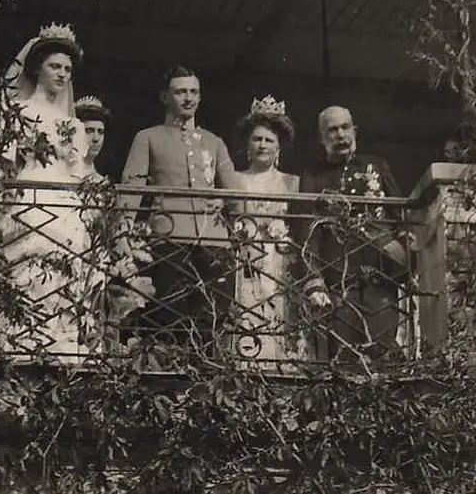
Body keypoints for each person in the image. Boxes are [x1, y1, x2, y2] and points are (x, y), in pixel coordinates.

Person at [0, 23, 104, 360]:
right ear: (37, 67)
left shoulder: (75, 126)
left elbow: (79, 172)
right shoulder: (17, 112)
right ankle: (18, 341)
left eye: (67, 69)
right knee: (35, 240)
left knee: (74, 246)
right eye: (55, 66)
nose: (63, 74)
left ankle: (60, 343)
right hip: (28, 193)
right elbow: (2, 164)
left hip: (65, 200)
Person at [118, 65, 240, 351]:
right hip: (169, 236)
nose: (188, 98)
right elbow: (132, 188)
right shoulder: (148, 137)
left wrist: (225, 203)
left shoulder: (214, 141)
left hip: (213, 238)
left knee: (211, 315)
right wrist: (122, 231)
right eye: (180, 91)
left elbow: (234, 191)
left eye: (194, 92)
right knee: (170, 314)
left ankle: (204, 382)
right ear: (165, 97)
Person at [296, 105, 407, 361]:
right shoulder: (312, 176)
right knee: (343, 356)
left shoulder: (377, 165)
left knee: (382, 351)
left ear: (355, 130)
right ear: (322, 138)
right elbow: (307, 230)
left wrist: (404, 254)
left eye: (345, 127)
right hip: (338, 279)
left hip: (380, 276)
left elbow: (400, 217)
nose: (340, 135)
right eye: (332, 130)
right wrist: (313, 279)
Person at [229, 95, 303, 364]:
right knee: (247, 310)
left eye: (269, 140)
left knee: (280, 313)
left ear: (278, 147)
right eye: (257, 139)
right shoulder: (235, 179)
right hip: (245, 258)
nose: (262, 145)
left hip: (280, 258)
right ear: (247, 145)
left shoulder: (292, 182)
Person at [72, 95, 110, 180]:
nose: (96, 139)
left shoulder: (100, 180)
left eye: (100, 132)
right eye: (89, 131)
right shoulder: (63, 175)